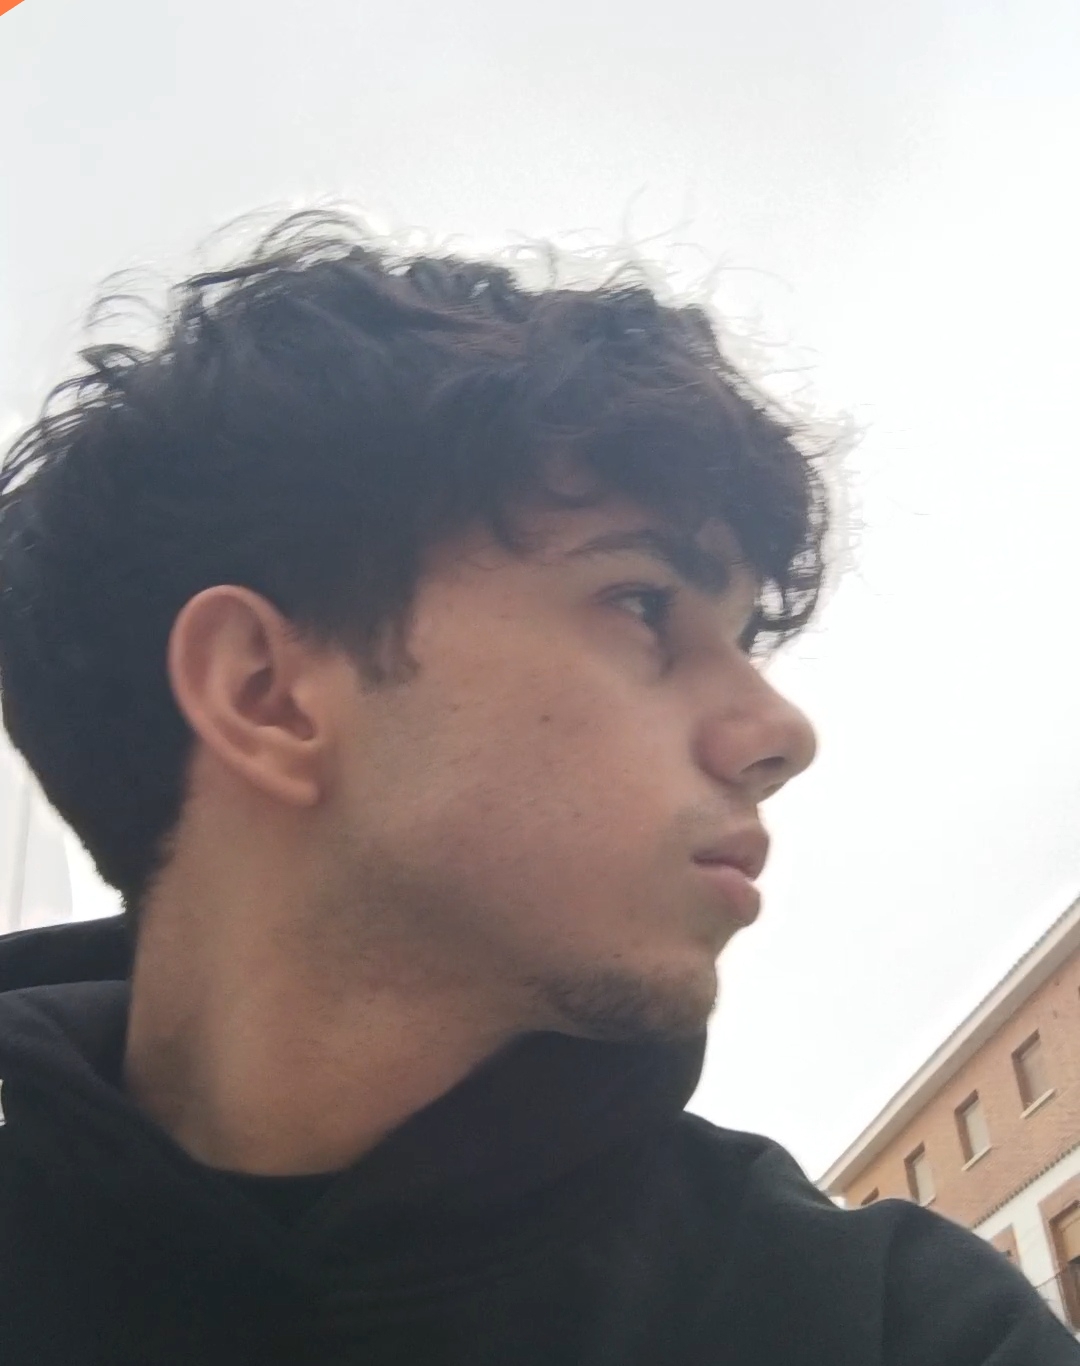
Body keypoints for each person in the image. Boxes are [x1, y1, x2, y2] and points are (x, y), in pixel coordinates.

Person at [0, 212, 1073, 1366]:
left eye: (743, 638)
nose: (778, 733)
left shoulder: (891, 1327)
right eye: (644, 603)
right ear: (266, 693)